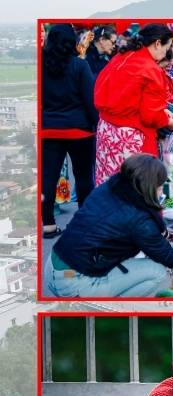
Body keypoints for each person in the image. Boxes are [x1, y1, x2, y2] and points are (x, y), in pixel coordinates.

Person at [45, 154, 173, 297]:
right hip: (73, 282)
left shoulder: (109, 189)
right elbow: (169, 257)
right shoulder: (138, 220)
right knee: (158, 274)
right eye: (159, 186)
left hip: (55, 266)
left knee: (147, 265)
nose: (160, 191)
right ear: (149, 187)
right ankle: (104, 310)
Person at [93, 23, 173, 185]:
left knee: (109, 186)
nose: (165, 54)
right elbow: (151, 116)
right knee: (134, 189)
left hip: (106, 132)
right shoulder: (151, 69)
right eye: (166, 48)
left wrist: (163, 113)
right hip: (130, 137)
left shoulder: (122, 56)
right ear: (157, 43)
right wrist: (168, 121)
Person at [40, 24, 98, 239]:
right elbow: (90, 101)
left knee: (48, 179)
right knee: (84, 178)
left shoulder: (41, 67)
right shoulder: (79, 66)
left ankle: (48, 225)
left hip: (49, 130)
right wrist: (96, 125)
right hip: (80, 131)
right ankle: (85, 224)